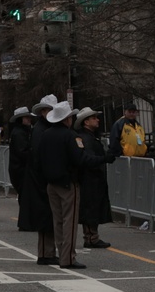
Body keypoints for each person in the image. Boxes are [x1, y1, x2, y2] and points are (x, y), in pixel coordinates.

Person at [39, 102, 114, 269]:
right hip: (67, 183)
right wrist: (104, 159)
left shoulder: (45, 135)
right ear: (67, 119)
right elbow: (81, 159)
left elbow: (38, 159)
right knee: (69, 222)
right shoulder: (70, 136)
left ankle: (61, 253)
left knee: (57, 221)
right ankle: (68, 258)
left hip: (51, 183)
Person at [18, 94, 57, 254]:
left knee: (47, 217)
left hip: (41, 177)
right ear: (43, 111)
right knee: (46, 216)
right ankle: (46, 253)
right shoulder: (42, 130)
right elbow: (39, 157)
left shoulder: (41, 129)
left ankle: (46, 253)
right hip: (42, 179)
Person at [75, 107, 114, 249]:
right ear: (86, 122)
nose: (97, 120)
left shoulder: (90, 137)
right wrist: (104, 159)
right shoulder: (85, 138)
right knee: (90, 206)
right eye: (94, 118)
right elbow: (88, 159)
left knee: (94, 206)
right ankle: (91, 237)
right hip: (89, 178)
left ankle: (92, 235)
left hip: (94, 177)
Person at [7, 106, 35, 206]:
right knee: (25, 195)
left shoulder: (21, 131)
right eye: (26, 117)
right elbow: (23, 152)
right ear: (20, 119)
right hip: (20, 170)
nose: (29, 119)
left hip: (18, 169)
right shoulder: (19, 133)